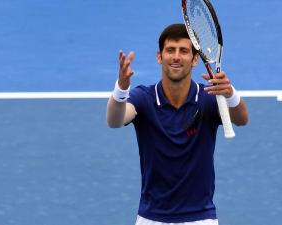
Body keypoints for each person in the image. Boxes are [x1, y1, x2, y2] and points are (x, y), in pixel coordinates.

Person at [106, 23, 248, 225]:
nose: (176, 56)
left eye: (184, 51)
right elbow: (115, 120)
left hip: (200, 218)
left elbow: (242, 119)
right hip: (151, 218)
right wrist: (121, 89)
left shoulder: (208, 98)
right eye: (170, 50)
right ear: (159, 56)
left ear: (195, 59)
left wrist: (230, 94)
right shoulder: (143, 98)